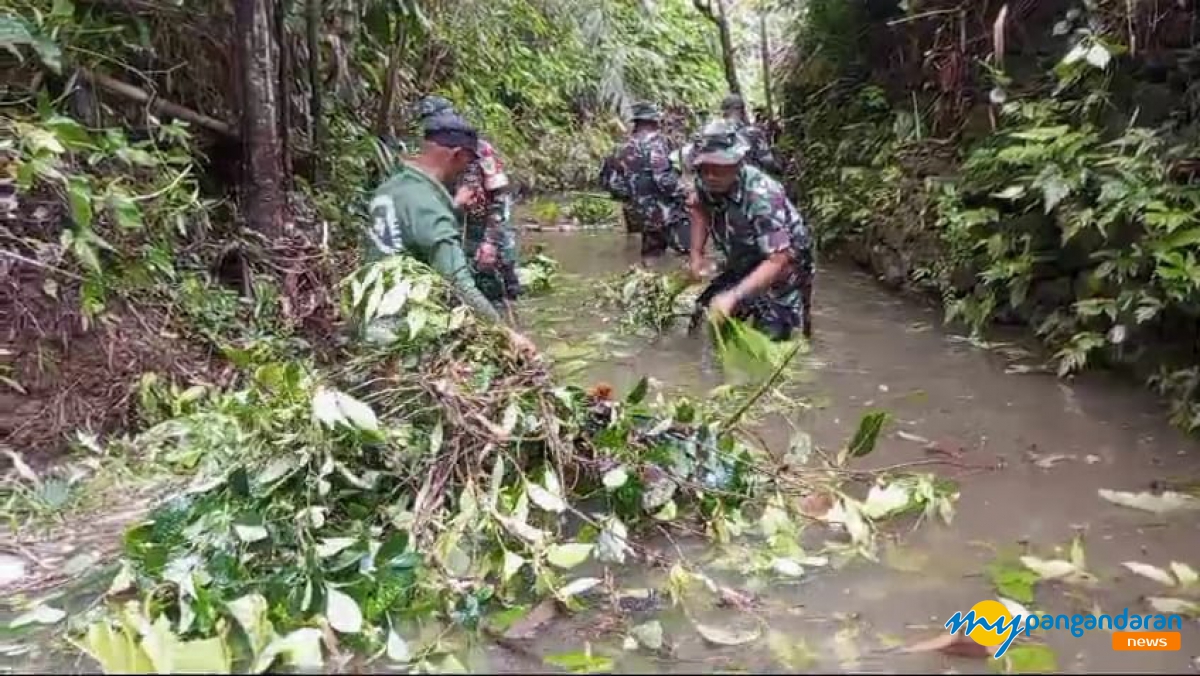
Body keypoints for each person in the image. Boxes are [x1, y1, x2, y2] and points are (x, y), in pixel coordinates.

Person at [364, 112, 538, 355]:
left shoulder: (389, 189)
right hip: (401, 331)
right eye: (466, 164)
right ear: (456, 155)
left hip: (370, 316)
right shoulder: (428, 206)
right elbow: (459, 285)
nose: (465, 173)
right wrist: (505, 334)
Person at [686, 120, 814, 341]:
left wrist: (733, 296)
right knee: (702, 314)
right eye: (705, 168)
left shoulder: (761, 195)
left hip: (784, 266)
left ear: (737, 162)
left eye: (719, 167)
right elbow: (698, 206)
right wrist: (696, 254)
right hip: (743, 257)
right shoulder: (705, 182)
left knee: (773, 337)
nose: (711, 176)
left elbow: (778, 259)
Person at [410, 96, 522, 308]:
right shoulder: (424, 153)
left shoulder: (480, 150)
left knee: (499, 287)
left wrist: (490, 242)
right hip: (453, 224)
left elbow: (499, 198)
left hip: (485, 225)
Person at [609, 102, 689, 264]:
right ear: (654, 121)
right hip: (666, 212)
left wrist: (633, 198)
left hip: (638, 214)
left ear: (636, 122)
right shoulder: (659, 144)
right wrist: (685, 194)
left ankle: (647, 281)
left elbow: (611, 184)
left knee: (651, 256)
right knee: (689, 252)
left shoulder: (619, 148)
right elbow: (664, 181)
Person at [718, 94, 782, 177]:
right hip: (749, 182)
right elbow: (767, 161)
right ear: (741, 110)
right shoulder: (753, 133)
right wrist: (778, 167)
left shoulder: (709, 134)